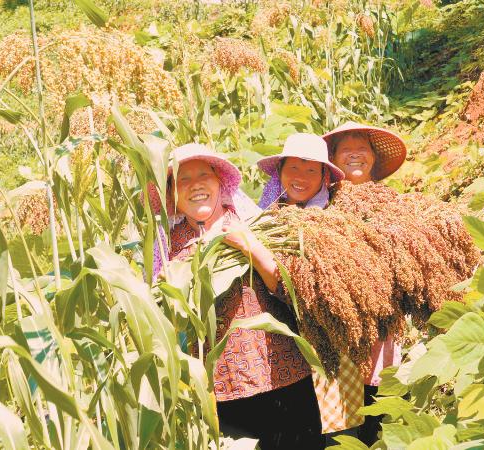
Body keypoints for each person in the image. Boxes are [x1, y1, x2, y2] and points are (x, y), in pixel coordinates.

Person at [149, 143, 324, 450]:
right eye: (183, 179)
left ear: (220, 182)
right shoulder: (169, 249)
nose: (195, 185)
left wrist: (250, 247)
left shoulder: (256, 225)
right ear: (172, 194)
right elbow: (163, 324)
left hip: (283, 376)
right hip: (219, 390)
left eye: (203, 175)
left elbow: (294, 291)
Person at [257, 133, 365, 446]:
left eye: (311, 170)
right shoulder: (263, 219)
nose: (301, 177)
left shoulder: (334, 219)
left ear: (323, 177)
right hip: (280, 348)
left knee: (337, 434)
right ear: (280, 171)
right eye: (294, 168)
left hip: (330, 346)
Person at [322, 121, 408, 446]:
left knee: (378, 415)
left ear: (373, 157)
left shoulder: (392, 202)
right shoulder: (323, 204)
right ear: (333, 159)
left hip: (383, 326)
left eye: (362, 148)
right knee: (341, 424)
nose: (355, 154)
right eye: (346, 149)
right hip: (337, 331)